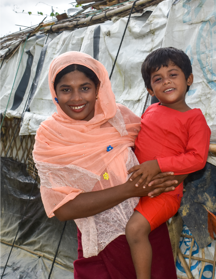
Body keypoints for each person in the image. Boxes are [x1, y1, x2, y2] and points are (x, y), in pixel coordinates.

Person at [33, 51, 186, 279]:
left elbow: (167, 154)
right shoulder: (50, 137)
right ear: (55, 93)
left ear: (98, 89)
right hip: (100, 246)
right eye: (66, 89)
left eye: (85, 88)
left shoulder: (120, 118)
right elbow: (64, 209)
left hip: (148, 234)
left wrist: (174, 174)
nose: (76, 98)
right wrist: (129, 190)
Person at [125, 47, 211, 279]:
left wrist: (158, 165)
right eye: (158, 79)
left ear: (189, 79)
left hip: (164, 192)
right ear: (149, 89)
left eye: (173, 74)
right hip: (134, 185)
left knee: (134, 230)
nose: (166, 82)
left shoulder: (195, 118)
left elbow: (196, 159)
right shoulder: (151, 110)